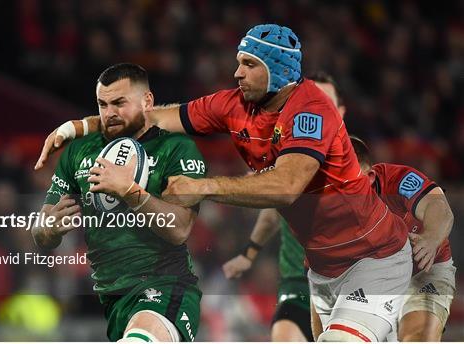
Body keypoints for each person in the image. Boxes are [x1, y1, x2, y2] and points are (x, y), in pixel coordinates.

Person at [34, 24, 413, 341]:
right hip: (325, 266)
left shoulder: (311, 110)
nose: (237, 73)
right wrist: (78, 126)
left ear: (279, 70)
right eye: (238, 63)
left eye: (249, 64)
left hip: (371, 254)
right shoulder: (233, 105)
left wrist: (205, 186)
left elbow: (286, 186)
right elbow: (150, 117)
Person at [32, 63, 207, 342]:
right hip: (112, 297)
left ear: (147, 101)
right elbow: (41, 231)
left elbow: (179, 229)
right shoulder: (79, 151)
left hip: (165, 287)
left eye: (119, 103)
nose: (109, 113)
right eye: (102, 104)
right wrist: (49, 229)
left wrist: (128, 190)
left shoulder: (176, 149)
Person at [221, 72, 345, 342]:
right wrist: (250, 252)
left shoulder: (357, 163)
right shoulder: (287, 156)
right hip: (297, 282)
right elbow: (275, 206)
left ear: (341, 112)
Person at [350, 137, 455, 342]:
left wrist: (431, 239)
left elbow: (439, 207)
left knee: (417, 337)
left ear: (369, 176)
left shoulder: (397, 179)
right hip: (370, 279)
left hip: (424, 269)